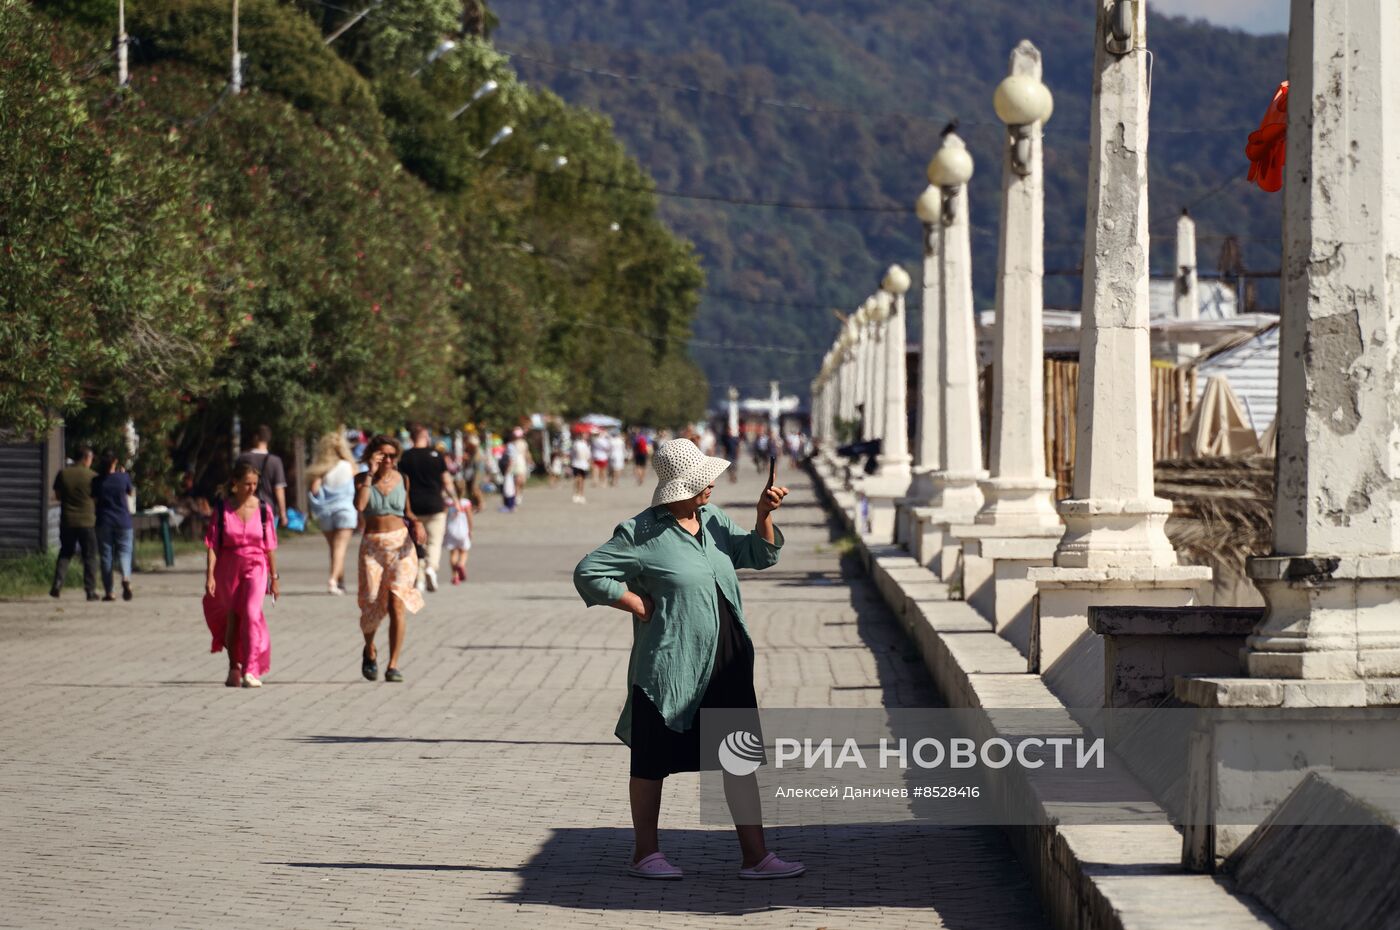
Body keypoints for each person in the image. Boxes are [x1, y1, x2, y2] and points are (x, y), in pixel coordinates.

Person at [573, 439, 803, 881]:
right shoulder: (640, 533)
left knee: (739, 758)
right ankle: (646, 854)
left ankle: (756, 856)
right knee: (651, 760)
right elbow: (589, 571)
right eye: (702, 482)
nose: (711, 486)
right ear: (679, 487)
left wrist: (764, 515)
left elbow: (759, 554)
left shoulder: (712, 519)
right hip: (669, 667)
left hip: (727, 657)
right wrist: (635, 602)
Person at [354, 435, 425, 683]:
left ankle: (393, 665)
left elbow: (407, 511)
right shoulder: (362, 479)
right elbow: (361, 506)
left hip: (400, 545)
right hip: (372, 546)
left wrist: (417, 523)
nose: (388, 459)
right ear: (373, 455)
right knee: (371, 601)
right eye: (383, 454)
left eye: (392, 455)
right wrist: (370, 474)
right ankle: (370, 649)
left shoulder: (402, 479)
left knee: (397, 602)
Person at [202, 463, 280, 688]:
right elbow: (213, 545)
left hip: (256, 566)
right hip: (228, 568)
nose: (252, 488)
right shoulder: (222, 510)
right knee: (232, 618)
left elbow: (270, 546)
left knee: (251, 613)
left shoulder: (264, 509)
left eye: (255, 484)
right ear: (235, 484)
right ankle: (234, 665)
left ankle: (251, 670)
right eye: (247, 484)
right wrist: (210, 576)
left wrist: (274, 578)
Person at [400, 424, 457, 593]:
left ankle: (420, 579)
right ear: (425, 435)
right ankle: (431, 568)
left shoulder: (406, 457)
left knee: (416, 542)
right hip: (435, 505)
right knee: (434, 541)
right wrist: (456, 500)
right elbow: (446, 481)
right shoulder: (436, 455)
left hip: (412, 506)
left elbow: (402, 483)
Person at [307, 433, 359, 595]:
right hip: (345, 510)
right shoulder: (349, 466)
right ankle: (333, 580)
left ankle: (340, 581)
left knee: (334, 549)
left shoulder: (322, 468)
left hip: (326, 512)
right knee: (340, 548)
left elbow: (314, 489)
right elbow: (359, 485)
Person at [50, 445, 100, 601]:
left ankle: (57, 584)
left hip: (67, 521)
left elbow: (57, 496)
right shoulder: (93, 476)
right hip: (87, 522)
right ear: (86, 458)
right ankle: (90, 591)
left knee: (65, 552)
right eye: (91, 458)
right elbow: (97, 498)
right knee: (90, 556)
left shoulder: (63, 474)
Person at [92, 451, 136, 602]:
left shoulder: (97, 481)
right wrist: (123, 475)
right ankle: (125, 577)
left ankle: (109, 592)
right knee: (125, 552)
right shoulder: (123, 477)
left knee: (106, 556)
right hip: (123, 521)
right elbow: (131, 493)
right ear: (115, 462)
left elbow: (95, 501)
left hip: (104, 521)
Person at [236, 424, 289, 527]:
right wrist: (283, 514)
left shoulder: (243, 458)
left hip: (245, 507)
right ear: (268, 439)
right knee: (268, 541)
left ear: (255, 437)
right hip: (269, 509)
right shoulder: (275, 461)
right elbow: (279, 489)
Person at [444, 493, 475, 584]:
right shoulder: (466, 503)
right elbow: (470, 517)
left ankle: (455, 576)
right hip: (463, 530)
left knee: (453, 553)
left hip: (451, 529)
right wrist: (470, 529)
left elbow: (444, 516)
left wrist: (444, 529)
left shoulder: (448, 502)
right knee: (464, 551)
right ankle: (461, 564)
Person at [508, 428, 533, 506]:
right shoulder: (512, 444)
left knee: (522, 481)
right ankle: (516, 496)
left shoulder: (524, 443)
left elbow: (527, 452)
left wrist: (530, 460)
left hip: (522, 462)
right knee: (517, 480)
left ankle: (520, 494)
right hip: (515, 462)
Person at [570, 431, 592, 504]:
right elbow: (573, 453)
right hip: (576, 463)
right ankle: (576, 493)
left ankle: (581, 494)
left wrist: (589, 462)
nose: (586, 436)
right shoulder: (576, 444)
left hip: (584, 464)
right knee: (577, 478)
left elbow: (588, 455)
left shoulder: (587, 444)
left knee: (582, 479)